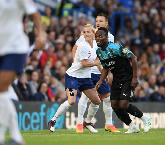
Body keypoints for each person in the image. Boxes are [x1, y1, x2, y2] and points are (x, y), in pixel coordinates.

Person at [0, 0, 46, 144]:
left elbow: (34, 13)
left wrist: (41, 35)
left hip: (15, 47)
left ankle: (2, 135)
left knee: (1, 89)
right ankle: (16, 138)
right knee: (3, 93)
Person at [95, 27, 151, 133]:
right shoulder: (99, 52)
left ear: (107, 37)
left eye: (100, 36)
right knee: (115, 106)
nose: (98, 39)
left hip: (127, 77)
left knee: (123, 104)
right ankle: (132, 126)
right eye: (96, 37)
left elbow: (133, 58)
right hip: (116, 79)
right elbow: (106, 67)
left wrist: (134, 77)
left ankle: (145, 118)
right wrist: (100, 80)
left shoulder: (116, 47)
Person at [47, 24, 101, 132]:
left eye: (88, 32)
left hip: (85, 79)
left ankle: (87, 122)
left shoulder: (96, 45)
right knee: (71, 100)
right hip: (73, 77)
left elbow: (97, 61)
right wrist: (96, 63)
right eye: (84, 32)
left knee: (97, 101)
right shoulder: (82, 45)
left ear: (93, 34)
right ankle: (53, 120)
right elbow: (85, 63)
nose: (85, 34)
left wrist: (102, 74)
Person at [71, 13, 118, 133]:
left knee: (107, 98)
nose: (98, 23)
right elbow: (74, 49)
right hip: (87, 70)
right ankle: (79, 124)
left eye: (101, 21)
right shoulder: (89, 33)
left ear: (106, 24)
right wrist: (76, 64)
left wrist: (106, 71)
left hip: (100, 71)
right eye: (97, 21)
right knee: (85, 97)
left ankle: (108, 124)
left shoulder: (110, 37)